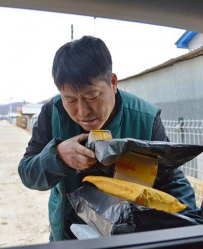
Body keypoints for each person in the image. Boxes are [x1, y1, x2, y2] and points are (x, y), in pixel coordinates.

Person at [18, 36, 202, 241]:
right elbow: (27, 172)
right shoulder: (53, 113)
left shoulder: (145, 118)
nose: (83, 112)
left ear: (113, 83)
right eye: (70, 100)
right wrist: (57, 156)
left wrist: (188, 228)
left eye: (92, 97)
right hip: (69, 234)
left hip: (130, 234)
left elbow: (171, 178)